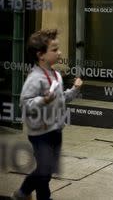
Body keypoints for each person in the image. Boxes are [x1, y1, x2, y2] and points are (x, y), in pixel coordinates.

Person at [13, 29, 83, 200]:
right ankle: (29, 194)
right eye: (54, 50)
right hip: (39, 133)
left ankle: (24, 192)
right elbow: (25, 103)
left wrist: (75, 89)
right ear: (41, 55)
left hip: (55, 130)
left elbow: (61, 98)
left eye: (58, 49)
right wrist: (42, 100)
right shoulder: (35, 78)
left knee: (48, 170)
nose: (59, 53)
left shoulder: (56, 75)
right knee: (44, 171)